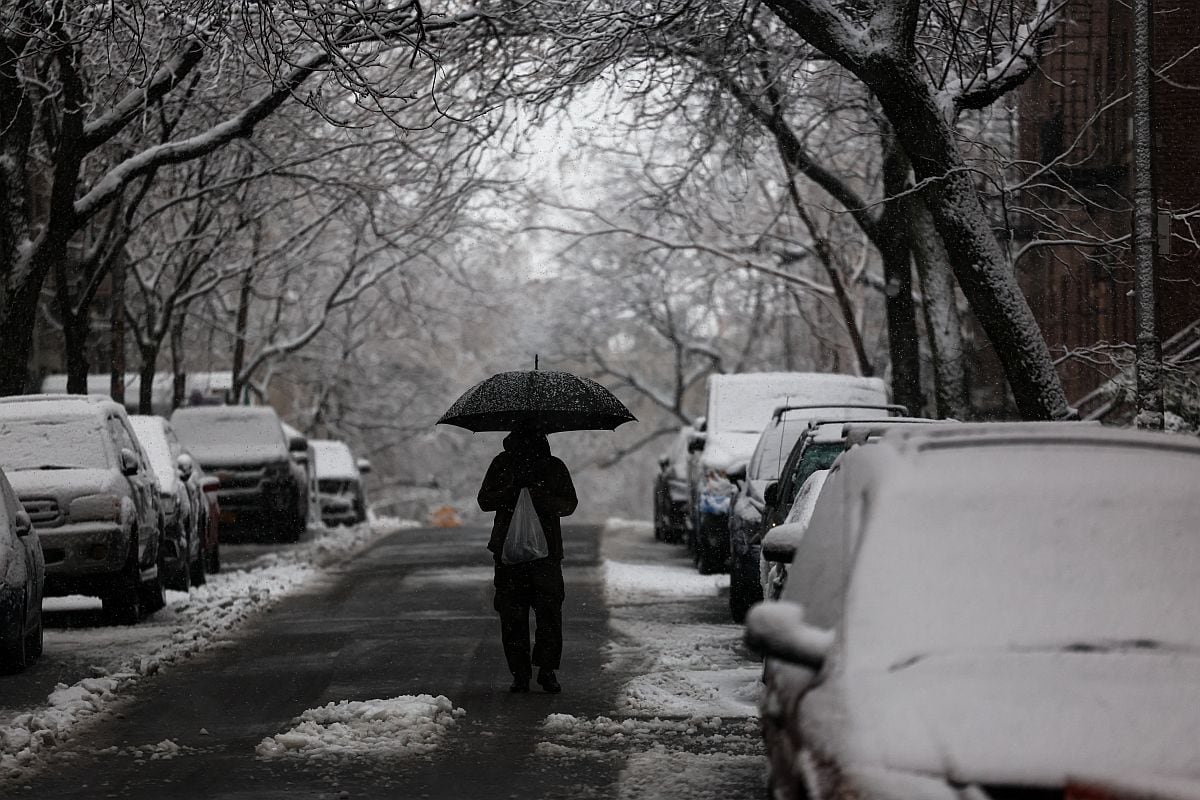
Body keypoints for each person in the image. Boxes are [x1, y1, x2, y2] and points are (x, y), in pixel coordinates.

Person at [478, 429, 577, 694]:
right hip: (535, 555)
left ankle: (524, 673)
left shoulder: (543, 466)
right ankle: (543, 671)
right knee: (544, 614)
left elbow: (485, 500)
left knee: (517, 616)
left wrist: (535, 496)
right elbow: (568, 505)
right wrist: (514, 492)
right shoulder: (512, 464)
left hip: (521, 555)